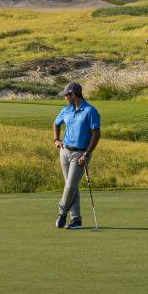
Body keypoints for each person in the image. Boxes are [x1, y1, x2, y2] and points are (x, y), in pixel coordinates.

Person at [52, 81, 100, 229]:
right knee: (71, 187)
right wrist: (56, 139)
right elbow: (56, 123)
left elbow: (96, 135)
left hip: (80, 153)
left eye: (66, 95)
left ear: (73, 95)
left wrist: (86, 155)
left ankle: (62, 212)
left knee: (70, 186)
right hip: (65, 151)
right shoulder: (66, 110)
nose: (65, 98)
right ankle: (76, 219)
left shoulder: (90, 111)